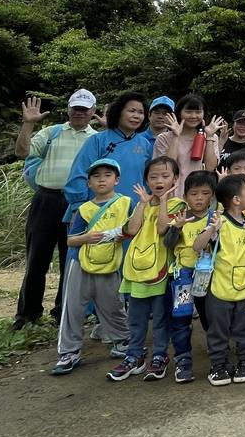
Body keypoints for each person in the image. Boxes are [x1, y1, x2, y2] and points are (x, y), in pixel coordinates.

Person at [12, 89, 98, 331]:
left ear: (92, 112)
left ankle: (63, 312)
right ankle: (27, 314)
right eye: (76, 108)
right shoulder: (51, 133)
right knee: (36, 259)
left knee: (70, 262)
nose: (80, 113)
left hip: (78, 204)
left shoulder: (96, 139)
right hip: (46, 199)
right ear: (68, 109)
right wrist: (28, 125)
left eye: (84, 109)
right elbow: (21, 152)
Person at [50, 157, 131, 375]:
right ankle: (69, 350)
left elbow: (134, 227)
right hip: (81, 261)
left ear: (117, 179)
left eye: (107, 175)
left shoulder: (125, 203)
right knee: (74, 307)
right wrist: (87, 238)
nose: (102, 180)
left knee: (113, 303)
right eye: (96, 176)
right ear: (89, 183)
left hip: (110, 263)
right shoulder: (84, 209)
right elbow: (70, 240)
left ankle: (121, 340)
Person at [107, 156, 184, 382]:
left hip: (160, 272)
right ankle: (134, 356)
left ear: (176, 179)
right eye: (153, 177)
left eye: (165, 176)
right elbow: (131, 229)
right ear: (146, 180)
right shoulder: (141, 203)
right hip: (136, 271)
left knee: (160, 317)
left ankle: (160, 355)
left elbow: (162, 230)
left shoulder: (177, 205)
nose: (159, 180)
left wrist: (162, 202)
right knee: (136, 317)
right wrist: (142, 203)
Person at [196, 172, 245, 387]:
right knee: (218, 330)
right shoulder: (220, 222)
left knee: (244, 328)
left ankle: (243, 362)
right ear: (236, 200)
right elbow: (197, 247)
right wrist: (211, 230)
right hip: (219, 288)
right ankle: (218, 365)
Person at [161, 170, 218, 383]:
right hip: (183, 275)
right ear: (186, 196)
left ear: (212, 196)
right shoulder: (180, 217)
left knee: (209, 316)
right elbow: (168, 244)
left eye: (205, 193)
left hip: (208, 275)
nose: (199, 198)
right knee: (181, 318)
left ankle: (216, 351)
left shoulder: (215, 218)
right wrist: (176, 229)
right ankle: (183, 359)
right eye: (194, 193)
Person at [64, 92, 153, 223]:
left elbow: (148, 178)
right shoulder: (97, 140)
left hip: (133, 211)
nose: (136, 116)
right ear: (118, 112)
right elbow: (79, 173)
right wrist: (77, 207)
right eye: (131, 111)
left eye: (141, 112)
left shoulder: (145, 144)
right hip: (96, 210)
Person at [153, 94, 225, 195]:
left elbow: (210, 168)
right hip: (170, 195)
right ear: (179, 113)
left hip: (197, 195)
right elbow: (167, 167)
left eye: (198, 112)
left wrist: (209, 137)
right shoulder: (164, 138)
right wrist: (176, 136)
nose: (193, 116)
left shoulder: (210, 136)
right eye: (188, 112)